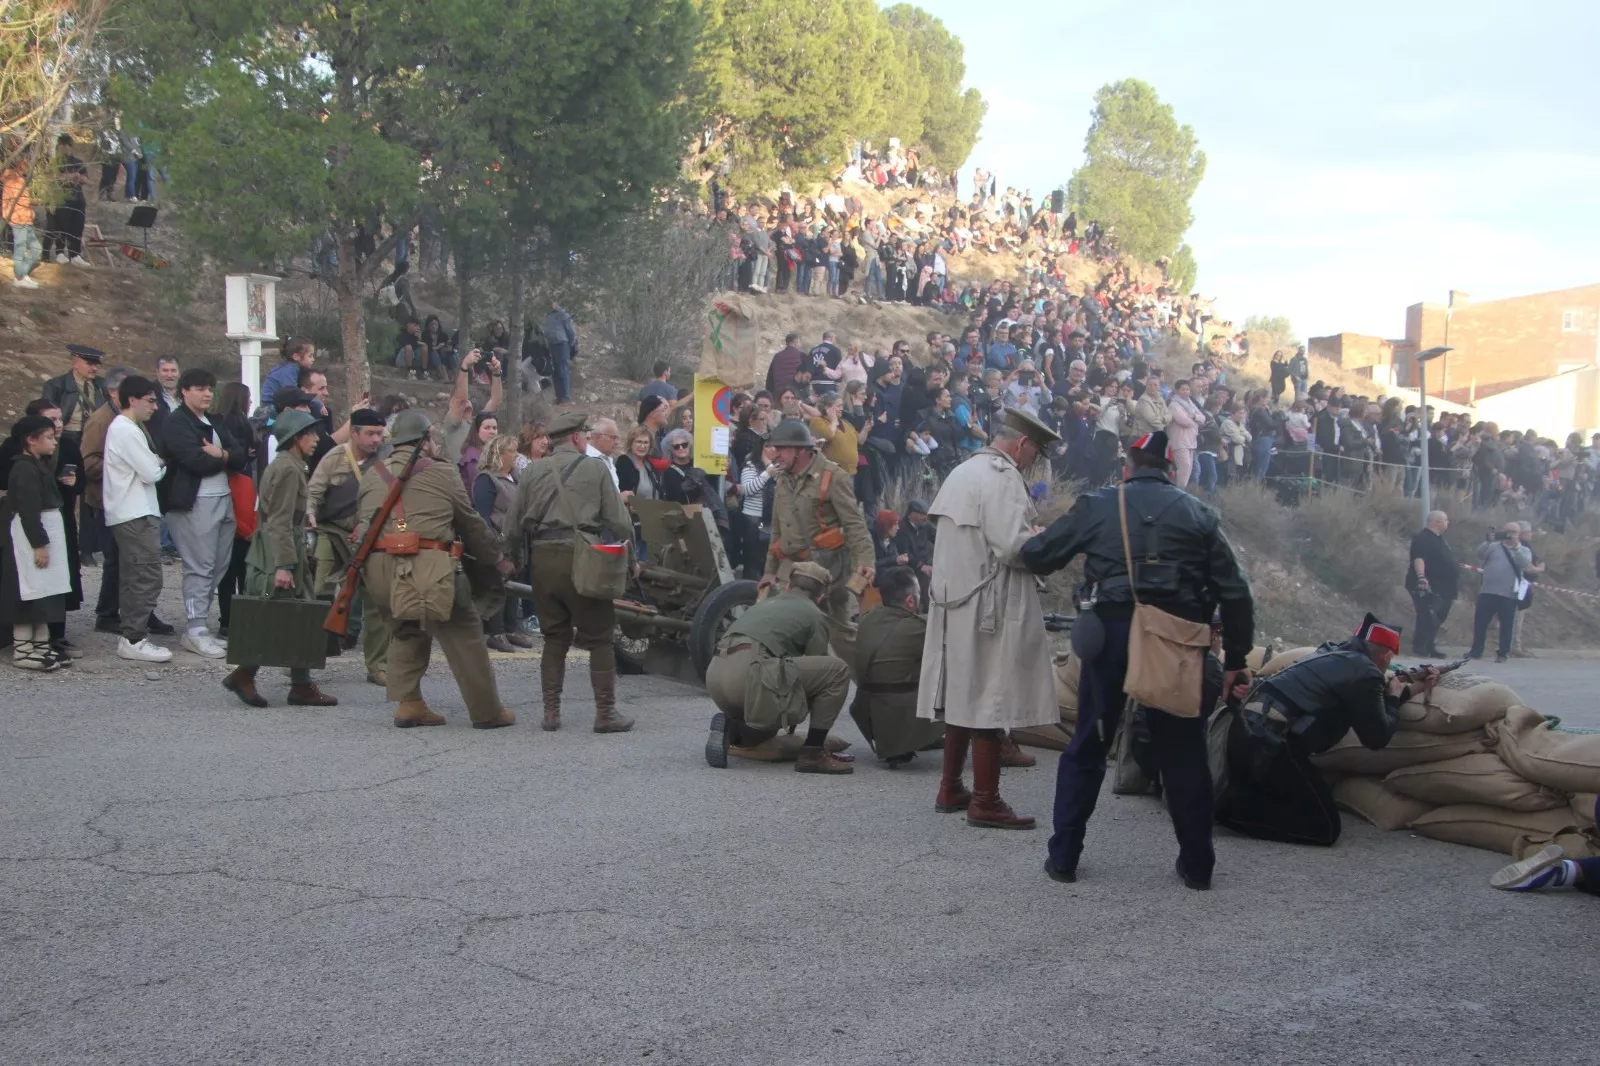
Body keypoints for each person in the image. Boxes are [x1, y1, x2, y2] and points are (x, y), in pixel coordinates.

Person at [1022, 430, 1255, 889]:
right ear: (1170, 470)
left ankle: (1064, 858)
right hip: (1175, 640)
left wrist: (1033, 540)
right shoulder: (1199, 514)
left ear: (1128, 465)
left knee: (1089, 744)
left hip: (1111, 635)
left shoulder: (1099, 503)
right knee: (1183, 751)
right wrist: (1237, 660)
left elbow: (1039, 556)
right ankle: (1197, 867)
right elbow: (1236, 592)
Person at [919, 408, 1062, 831]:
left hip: (954, 599)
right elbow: (1014, 547)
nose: (1034, 458)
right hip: (990, 603)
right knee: (988, 698)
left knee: (963, 693)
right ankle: (985, 800)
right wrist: (1045, 542)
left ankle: (950, 787)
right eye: (1036, 449)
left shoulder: (963, 472)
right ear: (1022, 443)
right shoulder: (1001, 478)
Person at [356, 410, 517, 729]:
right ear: (426, 440)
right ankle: (487, 711)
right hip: (429, 568)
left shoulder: (372, 473)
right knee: (465, 631)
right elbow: (470, 525)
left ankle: (410, 703)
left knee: (406, 627)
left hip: (378, 571)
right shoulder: (442, 473)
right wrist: (495, 558)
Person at [1218, 617, 1439, 847]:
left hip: (1250, 734)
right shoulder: (1365, 671)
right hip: (1271, 745)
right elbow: (1377, 736)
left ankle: (1234, 797)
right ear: (1386, 656)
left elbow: (1365, 704)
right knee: (1324, 828)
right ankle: (1229, 811)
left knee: (1296, 798)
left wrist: (1413, 688)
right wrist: (1393, 697)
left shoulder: (1331, 653)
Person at [506, 410, 636, 733]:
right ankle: (605, 713)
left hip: (543, 561)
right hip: (583, 558)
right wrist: (629, 552)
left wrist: (516, 558)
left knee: (554, 638)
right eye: (587, 437)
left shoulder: (533, 472)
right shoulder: (595, 468)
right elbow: (619, 521)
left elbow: (511, 525)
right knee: (600, 637)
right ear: (577, 438)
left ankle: (551, 713)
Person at [221, 410, 338, 708]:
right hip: (279, 553)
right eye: (310, 434)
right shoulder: (288, 469)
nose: (316, 439)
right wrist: (284, 566)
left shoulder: (288, 465)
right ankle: (249, 675)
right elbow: (280, 521)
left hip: (282, 549)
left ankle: (299, 684)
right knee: (277, 617)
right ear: (296, 439)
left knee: (299, 616)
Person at [703, 561, 854, 774]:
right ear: (820, 597)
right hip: (749, 678)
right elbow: (820, 671)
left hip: (715, 678)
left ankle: (733, 730)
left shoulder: (764, 604)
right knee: (837, 671)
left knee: (768, 719)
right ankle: (813, 753)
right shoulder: (814, 614)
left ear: (788, 586)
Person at [760, 418, 874, 666]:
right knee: (793, 633)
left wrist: (865, 560)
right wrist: (769, 571)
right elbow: (777, 531)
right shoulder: (782, 480)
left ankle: (874, 686)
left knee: (840, 635)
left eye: (782, 449)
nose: (775, 454)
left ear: (800, 450)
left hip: (829, 573)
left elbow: (855, 524)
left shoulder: (833, 477)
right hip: (792, 573)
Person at [159, 368, 249, 659]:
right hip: (193, 502)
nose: (207, 393)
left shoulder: (214, 420)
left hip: (224, 500)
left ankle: (200, 626)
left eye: (210, 388)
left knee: (219, 565)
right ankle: (195, 629)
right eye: (200, 388)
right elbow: (195, 461)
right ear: (184, 391)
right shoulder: (176, 423)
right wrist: (223, 457)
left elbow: (240, 455)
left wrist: (220, 454)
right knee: (200, 566)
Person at [307, 407, 390, 684]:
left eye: (379, 433)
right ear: (353, 433)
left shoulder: (386, 460)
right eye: (370, 433)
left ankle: (378, 665)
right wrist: (310, 513)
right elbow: (315, 491)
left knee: (377, 600)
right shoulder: (334, 458)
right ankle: (304, 657)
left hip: (370, 537)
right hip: (331, 532)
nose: (376, 439)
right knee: (318, 591)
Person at [102, 375, 172, 663]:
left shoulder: (130, 428)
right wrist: (160, 463)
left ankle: (133, 633)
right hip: (135, 512)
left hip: (137, 510)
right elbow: (152, 472)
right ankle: (134, 637)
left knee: (138, 574)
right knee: (145, 575)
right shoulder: (126, 430)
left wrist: (155, 462)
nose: (154, 407)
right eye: (151, 400)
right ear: (133, 400)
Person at [850, 566, 944, 766]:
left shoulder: (867, 619)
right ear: (910, 600)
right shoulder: (919, 626)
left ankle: (919, 738)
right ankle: (995, 739)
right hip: (897, 712)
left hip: (868, 712)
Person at [0, 415, 73, 670]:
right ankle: (23, 648)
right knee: (28, 588)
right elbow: (29, 509)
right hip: (30, 536)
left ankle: (41, 644)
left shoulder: (39, 465)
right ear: (31, 440)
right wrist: (39, 544)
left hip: (47, 531)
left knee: (45, 589)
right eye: (49, 437)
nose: (54, 442)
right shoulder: (24, 468)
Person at [472, 433, 532, 653]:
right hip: (497, 539)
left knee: (515, 584)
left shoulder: (516, 478)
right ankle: (495, 632)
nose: (516, 455)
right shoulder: (487, 479)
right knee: (498, 584)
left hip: (516, 540)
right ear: (499, 453)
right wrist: (491, 543)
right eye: (511, 451)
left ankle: (510, 628)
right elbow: (482, 515)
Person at [1468, 522, 1532, 663]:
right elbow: (1480, 554)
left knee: (1506, 625)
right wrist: (1487, 541)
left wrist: (1515, 546)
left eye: (1514, 532)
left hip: (1508, 593)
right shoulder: (1494, 546)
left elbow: (1524, 563)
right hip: (1488, 591)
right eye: (1507, 531)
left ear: (1519, 534)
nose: (1510, 534)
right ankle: (1476, 650)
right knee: (1480, 623)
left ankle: (1503, 653)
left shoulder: (1524, 550)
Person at [1405, 510, 1458, 657]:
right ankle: (1420, 646)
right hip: (1427, 586)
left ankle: (1430, 645)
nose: (1448, 523)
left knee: (1439, 616)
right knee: (1427, 615)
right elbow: (1419, 559)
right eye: (1446, 520)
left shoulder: (1440, 539)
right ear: (1437, 522)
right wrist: (1421, 577)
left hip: (1444, 587)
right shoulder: (1423, 538)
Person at [42, 344, 109, 449]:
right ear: (75, 364)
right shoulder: (56, 385)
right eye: (90, 364)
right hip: (68, 436)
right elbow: (46, 415)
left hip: (95, 436)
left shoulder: (102, 385)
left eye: (96, 365)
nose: (95, 368)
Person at [2, 153, 42, 288]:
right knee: (20, 248)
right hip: (19, 218)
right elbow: (13, 201)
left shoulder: (19, 178)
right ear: (19, 162)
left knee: (36, 248)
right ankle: (19, 277)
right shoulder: (12, 178)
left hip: (25, 218)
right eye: (25, 160)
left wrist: (30, 212)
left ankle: (22, 274)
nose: (28, 163)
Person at [544, 300, 579, 404]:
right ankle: (558, 396)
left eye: (553, 302)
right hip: (552, 344)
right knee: (554, 370)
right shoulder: (548, 316)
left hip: (562, 344)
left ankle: (565, 397)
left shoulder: (563, 314)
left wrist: (571, 344)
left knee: (562, 369)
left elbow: (571, 331)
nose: (551, 305)